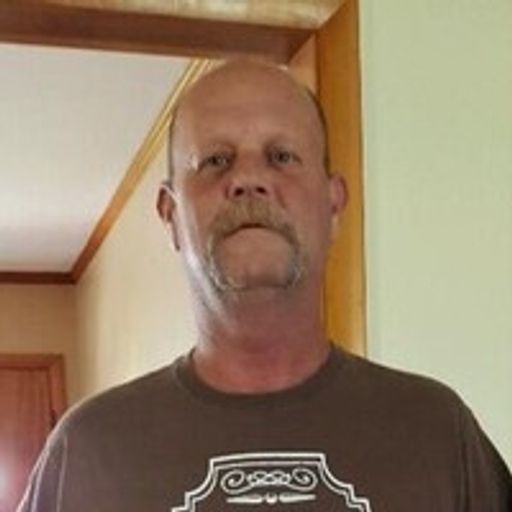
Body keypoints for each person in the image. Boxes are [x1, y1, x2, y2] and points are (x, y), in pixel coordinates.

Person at [18, 60, 511, 512]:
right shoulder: (87, 453)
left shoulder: (437, 433)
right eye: (216, 160)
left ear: (333, 204)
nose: (249, 179)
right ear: (170, 214)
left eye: (281, 156)